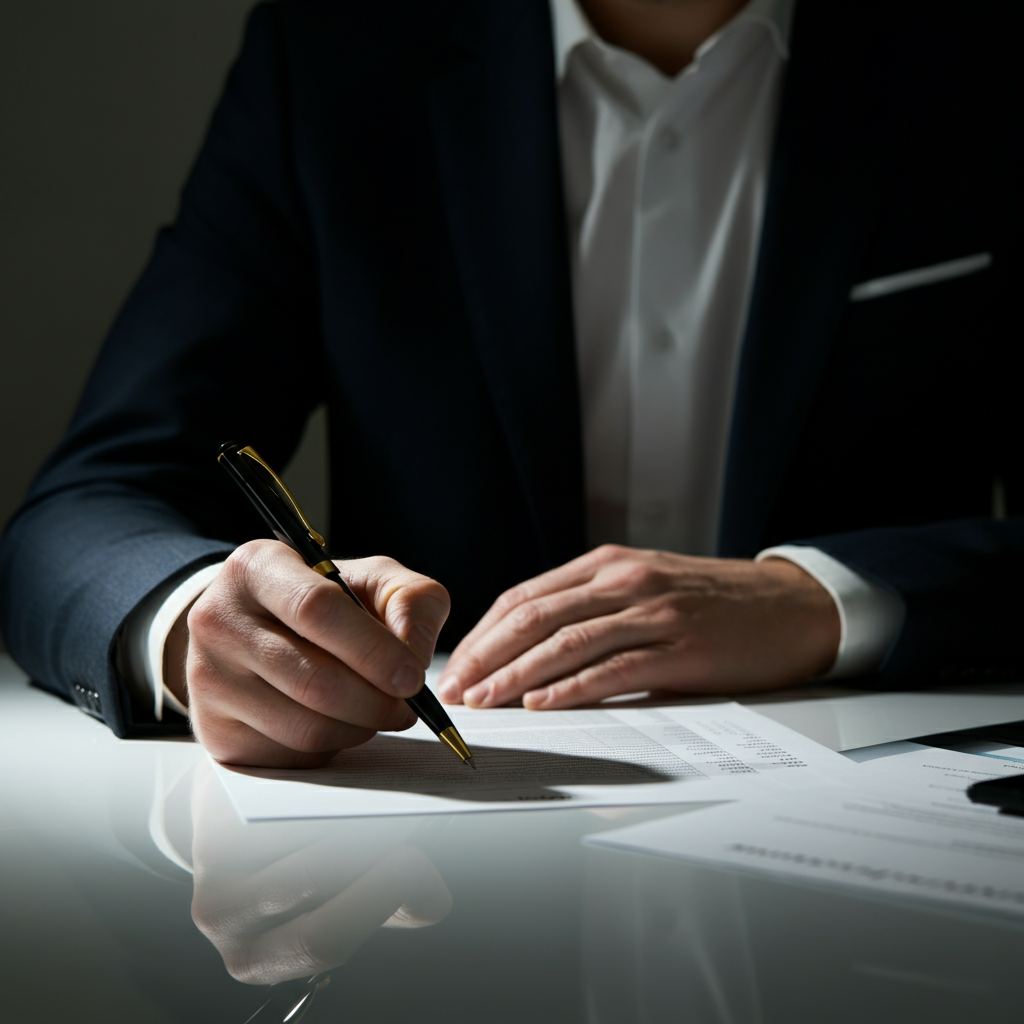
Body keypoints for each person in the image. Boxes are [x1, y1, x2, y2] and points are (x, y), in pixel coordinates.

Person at [0, 0, 1020, 768]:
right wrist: (193, 625)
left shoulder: (977, 50)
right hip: (451, 865)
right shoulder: (341, 52)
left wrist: (823, 601)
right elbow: (81, 510)